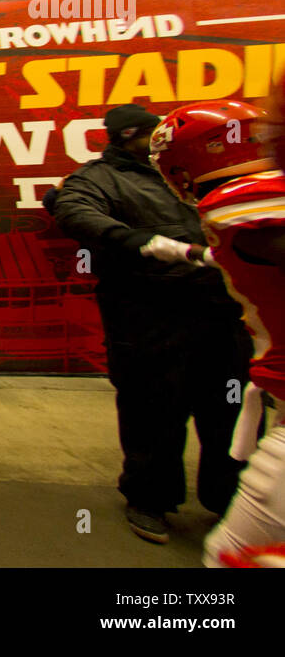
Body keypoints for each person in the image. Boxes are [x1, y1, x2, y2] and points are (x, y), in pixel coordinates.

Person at [53, 102, 252, 544]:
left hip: (222, 313)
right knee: (153, 410)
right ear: (127, 137)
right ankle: (150, 498)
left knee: (230, 412)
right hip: (147, 315)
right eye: (150, 133)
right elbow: (74, 210)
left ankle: (230, 498)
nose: (160, 140)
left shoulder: (196, 170)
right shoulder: (101, 178)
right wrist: (138, 240)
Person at [146, 98, 285, 566]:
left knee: (235, 557)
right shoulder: (249, 206)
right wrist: (186, 253)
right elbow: (252, 258)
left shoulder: (239, 202)